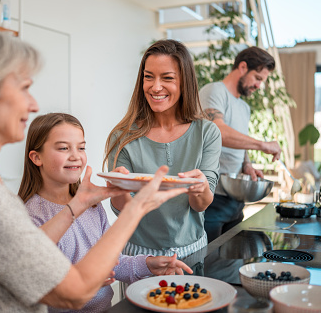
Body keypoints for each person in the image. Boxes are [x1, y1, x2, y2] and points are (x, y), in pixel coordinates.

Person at [0, 21, 188, 313]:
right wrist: (136, 208)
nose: (33, 105)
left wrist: (78, 204)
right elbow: (74, 293)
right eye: (24, 88)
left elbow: (28, 254)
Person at [19, 113, 193, 313]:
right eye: (63, 148)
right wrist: (89, 280)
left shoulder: (92, 206)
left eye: (81, 147)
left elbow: (113, 263)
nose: (76, 155)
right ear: (36, 157)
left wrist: (147, 264)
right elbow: (43, 291)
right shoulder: (30, 217)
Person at [103, 39, 222, 260]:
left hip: (192, 250)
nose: (155, 87)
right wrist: (117, 191)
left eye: (167, 78)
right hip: (138, 254)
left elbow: (201, 204)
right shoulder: (122, 136)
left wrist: (200, 187)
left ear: (184, 82)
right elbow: (123, 211)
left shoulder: (207, 132)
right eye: (149, 77)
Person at [198, 46, 282, 242]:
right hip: (212, 198)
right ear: (243, 67)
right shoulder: (214, 91)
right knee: (209, 264)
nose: (259, 85)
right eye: (258, 78)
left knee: (230, 265)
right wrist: (263, 145)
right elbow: (217, 132)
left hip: (236, 200)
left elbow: (239, 141)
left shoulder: (244, 107)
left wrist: (247, 165)